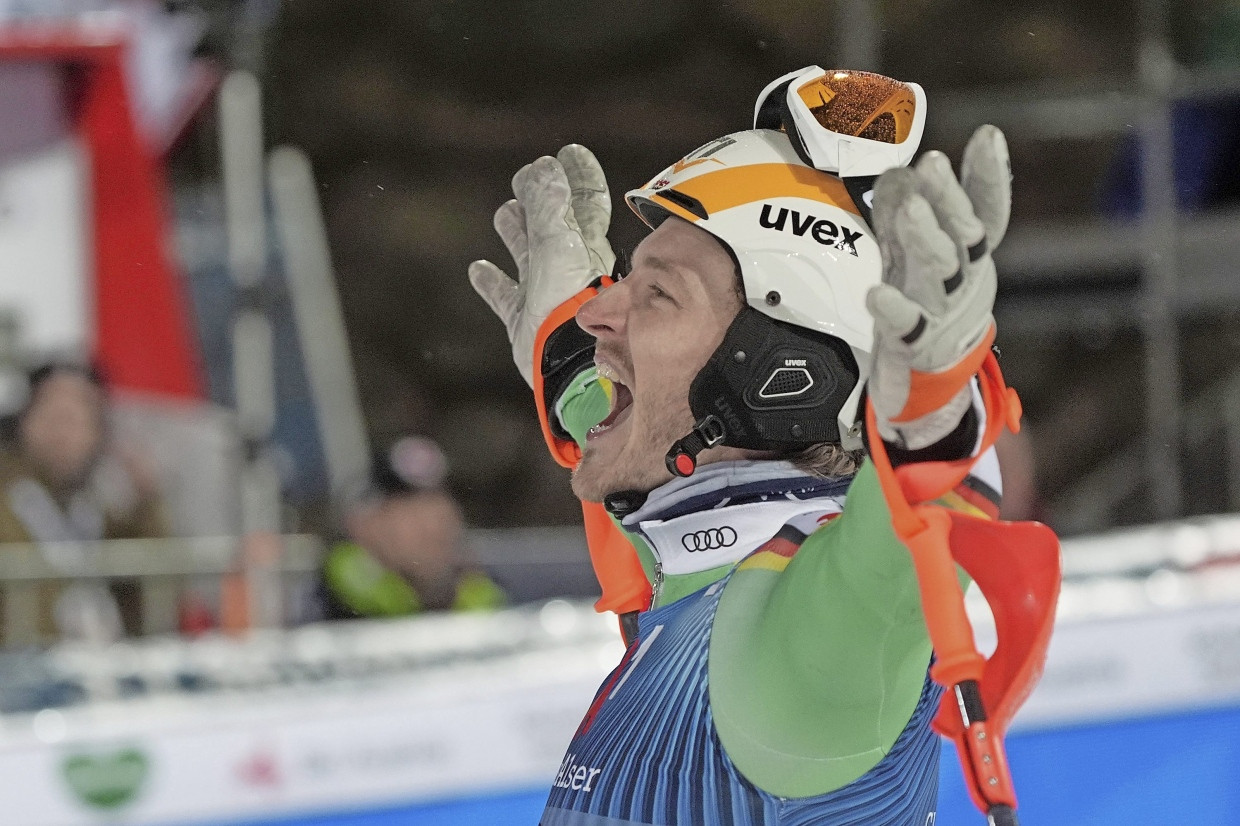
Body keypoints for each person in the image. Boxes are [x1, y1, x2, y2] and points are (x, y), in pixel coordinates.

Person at [469, 67, 1041, 825]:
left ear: (779, 374)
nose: (597, 314)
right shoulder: (701, 562)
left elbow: (895, 555)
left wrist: (933, 403)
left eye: (658, 294)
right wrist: (576, 369)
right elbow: (658, 491)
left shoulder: (791, 654)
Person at [0, 362, 167, 643]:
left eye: (76, 418)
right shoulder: (10, 500)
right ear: (23, 422)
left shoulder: (94, 510)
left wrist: (146, 505)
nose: (61, 434)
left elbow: (150, 592)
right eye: (52, 414)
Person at [320, 435, 504, 619]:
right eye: (413, 516)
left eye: (439, 514)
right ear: (364, 526)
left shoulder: (478, 594)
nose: (432, 529)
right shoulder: (338, 595)